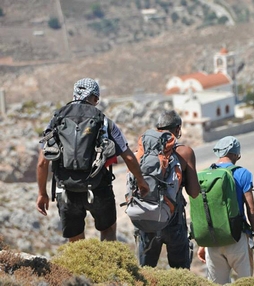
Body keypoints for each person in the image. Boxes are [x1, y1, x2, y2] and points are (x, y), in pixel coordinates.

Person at [36, 77, 149, 242]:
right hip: (98, 188)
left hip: (66, 190)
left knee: (76, 241)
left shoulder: (57, 119)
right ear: (95, 98)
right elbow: (128, 157)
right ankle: (107, 267)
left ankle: (81, 267)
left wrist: (42, 193)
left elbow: (42, 162)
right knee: (108, 230)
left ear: (74, 95)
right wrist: (141, 181)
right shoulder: (104, 121)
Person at [197, 136, 254, 284]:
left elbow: (206, 210)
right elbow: (252, 210)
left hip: (213, 241)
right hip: (237, 239)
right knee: (246, 282)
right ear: (236, 154)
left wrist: (203, 244)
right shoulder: (242, 173)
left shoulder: (204, 175)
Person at [136, 109, 200, 269]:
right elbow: (194, 192)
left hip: (146, 217)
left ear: (158, 128)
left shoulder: (143, 150)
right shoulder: (184, 152)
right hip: (173, 221)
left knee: (145, 273)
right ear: (178, 129)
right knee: (180, 274)